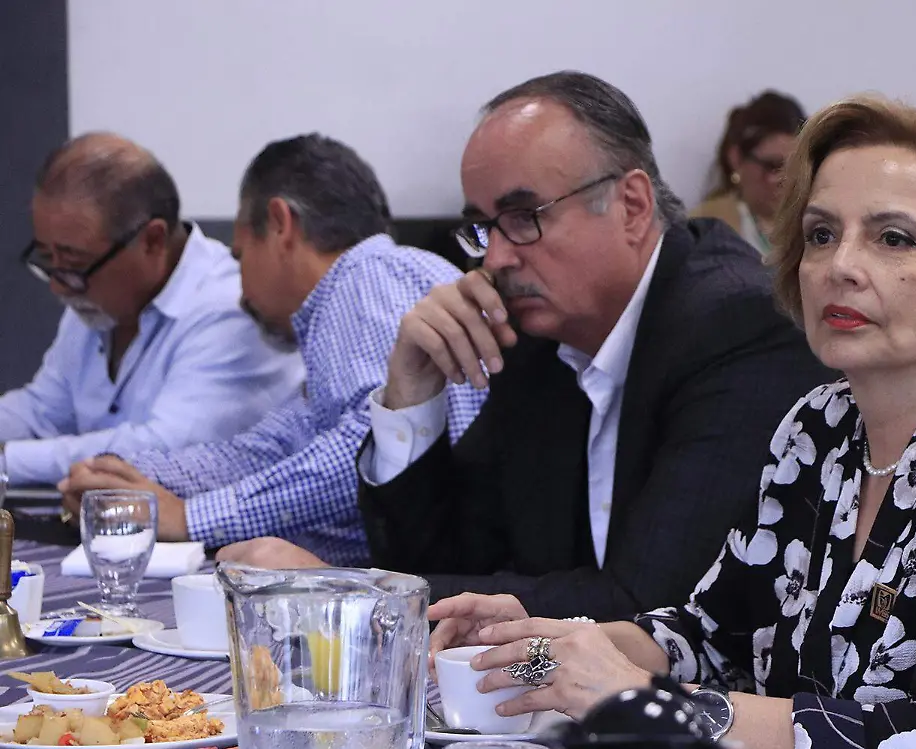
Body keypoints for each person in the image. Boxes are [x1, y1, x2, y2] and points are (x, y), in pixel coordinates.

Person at [424, 95, 916, 748]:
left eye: (893, 239)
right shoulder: (819, 426)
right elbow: (711, 634)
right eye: (822, 234)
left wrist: (660, 703)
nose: (841, 266)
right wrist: (537, 648)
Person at [220, 71, 829, 618]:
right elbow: (450, 563)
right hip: (551, 685)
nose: (496, 259)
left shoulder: (736, 326)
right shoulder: (538, 334)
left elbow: (650, 608)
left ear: (632, 206)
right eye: (483, 227)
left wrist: (349, 591)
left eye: (523, 217)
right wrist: (412, 397)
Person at [58, 134, 485, 566]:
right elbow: (268, 450)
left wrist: (191, 519)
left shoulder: (368, 274)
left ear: (280, 223)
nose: (241, 292)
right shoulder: (353, 303)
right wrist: (127, 477)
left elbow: (368, 443)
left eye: (241, 256)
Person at [0, 133, 303, 487]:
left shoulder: (231, 305)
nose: (59, 285)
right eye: (47, 258)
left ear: (153, 240)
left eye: (74, 262)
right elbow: (44, 410)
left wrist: (8, 460)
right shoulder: (91, 294)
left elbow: (163, 451)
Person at [692, 92, 807, 256]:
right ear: (736, 159)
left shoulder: (816, 220)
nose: (785, 179)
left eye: (795, 167)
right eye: (773, 166)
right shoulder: (705, 226)